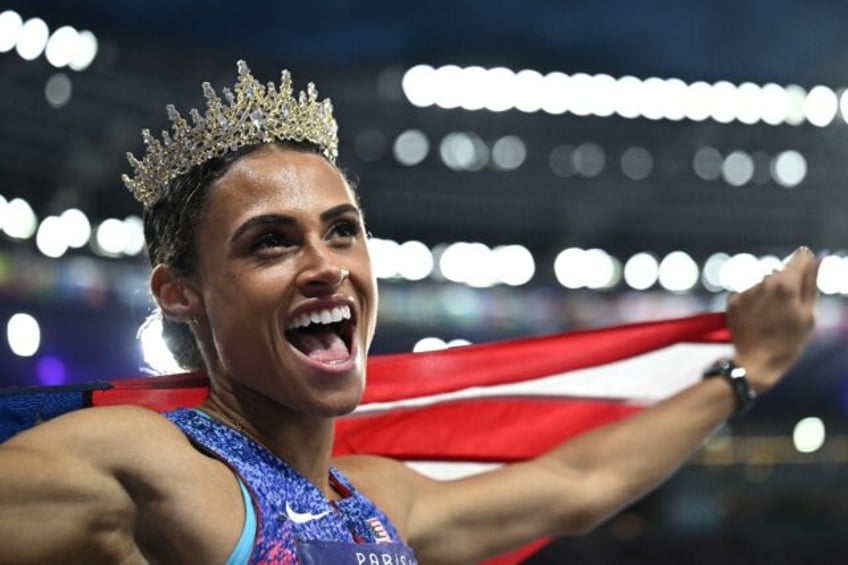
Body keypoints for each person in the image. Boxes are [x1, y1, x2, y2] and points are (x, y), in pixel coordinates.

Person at [0, 61, 818, 565]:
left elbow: (580, 481)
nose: (326, 266)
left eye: (342, 230)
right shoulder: (146, 463)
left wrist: (748, 372)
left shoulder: (379, 506)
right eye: (270, 243)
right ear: (180, 292)